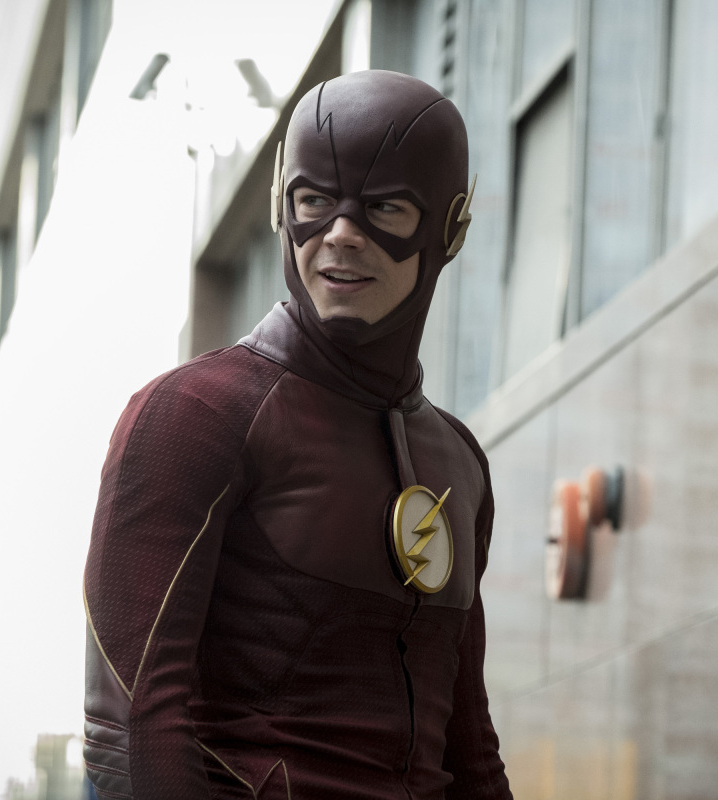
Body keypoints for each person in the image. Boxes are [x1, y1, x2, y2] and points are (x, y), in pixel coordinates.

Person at [83, 69, 511, 800]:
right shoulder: (193, 414)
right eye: (314, 202)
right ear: (283, 208)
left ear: (451, 228)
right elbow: (130, 730)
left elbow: (469, 748)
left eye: (385, 208)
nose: (341, 234)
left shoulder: (459, 463)